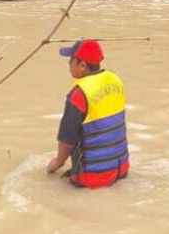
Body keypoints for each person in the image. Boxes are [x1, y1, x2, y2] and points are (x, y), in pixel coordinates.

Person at [47, 39, 130, 188]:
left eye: (71, 60)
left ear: (82, 65)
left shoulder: (79, 94)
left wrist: (57, 164)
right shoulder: (116, 81)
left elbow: (66, 142)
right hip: (121, 170)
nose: (68, 64)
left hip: (93, 178)